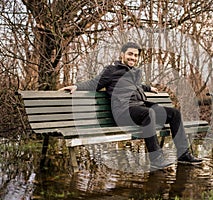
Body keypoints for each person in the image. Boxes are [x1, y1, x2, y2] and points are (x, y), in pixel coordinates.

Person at [59, 42, 202, 169]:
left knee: (174, 113)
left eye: (135, 55)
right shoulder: (112, 70)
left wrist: (148, 88)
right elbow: (94, 83)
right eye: (130, 54)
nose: (133, 57)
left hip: (139, 107)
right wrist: (76, 86)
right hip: (123, 112)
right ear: (122, 54)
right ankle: (156, 159)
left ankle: (184, 155)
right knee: (148, 113)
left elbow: (136, 86)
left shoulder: (135, 72)